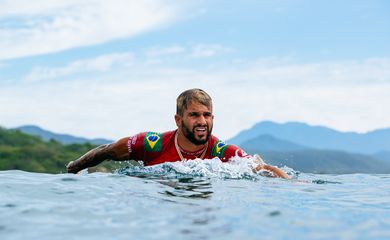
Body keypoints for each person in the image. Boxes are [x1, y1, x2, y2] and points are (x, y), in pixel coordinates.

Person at [66, 88, 290, 179]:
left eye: (207, 115)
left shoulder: (222, 152)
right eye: (194, 115)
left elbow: (263, 168)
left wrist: (291, 185)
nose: (202, 121)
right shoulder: (151, 144)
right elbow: (107, 151)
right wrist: (73, 169)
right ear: (178, 119)